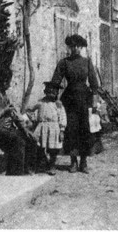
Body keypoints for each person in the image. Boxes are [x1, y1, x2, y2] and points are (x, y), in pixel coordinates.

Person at [50, 34, 99, 174]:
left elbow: (94, 84)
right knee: (71, 130)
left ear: (81, 47)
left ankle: (83, 162)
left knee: (85, 130)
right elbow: (55, 82)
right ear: (69, 47)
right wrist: (54, 101)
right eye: (72, 46)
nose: (75, 49)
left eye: (78, 46)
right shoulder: (64, 63)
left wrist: (94, 104)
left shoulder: (87, 62)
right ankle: (73, 162)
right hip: (69, 100)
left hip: (84, 99)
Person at [0, 66, 37, 175]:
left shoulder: (3, 94)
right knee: (17, 141)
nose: (9, 85)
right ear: (1, 80)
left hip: (7, 129)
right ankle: (14, 175)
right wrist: (4, 110)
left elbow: (14, 114)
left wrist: (24, 129)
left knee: (30, 138)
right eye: (7, 82)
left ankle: (27, 172)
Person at [28, 82, 66, 176]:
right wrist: (32, 119)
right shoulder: (40, 102)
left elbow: (62, 117)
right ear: (45, 91)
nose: (52, 93)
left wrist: (62, 130)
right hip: (42, 127)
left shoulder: (58, 104)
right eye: (50, 91)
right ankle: (38, 166)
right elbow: (31, 110)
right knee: (39, 146)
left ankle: (52, 165)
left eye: (55, 92)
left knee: (53, 149)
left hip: (54, 128)